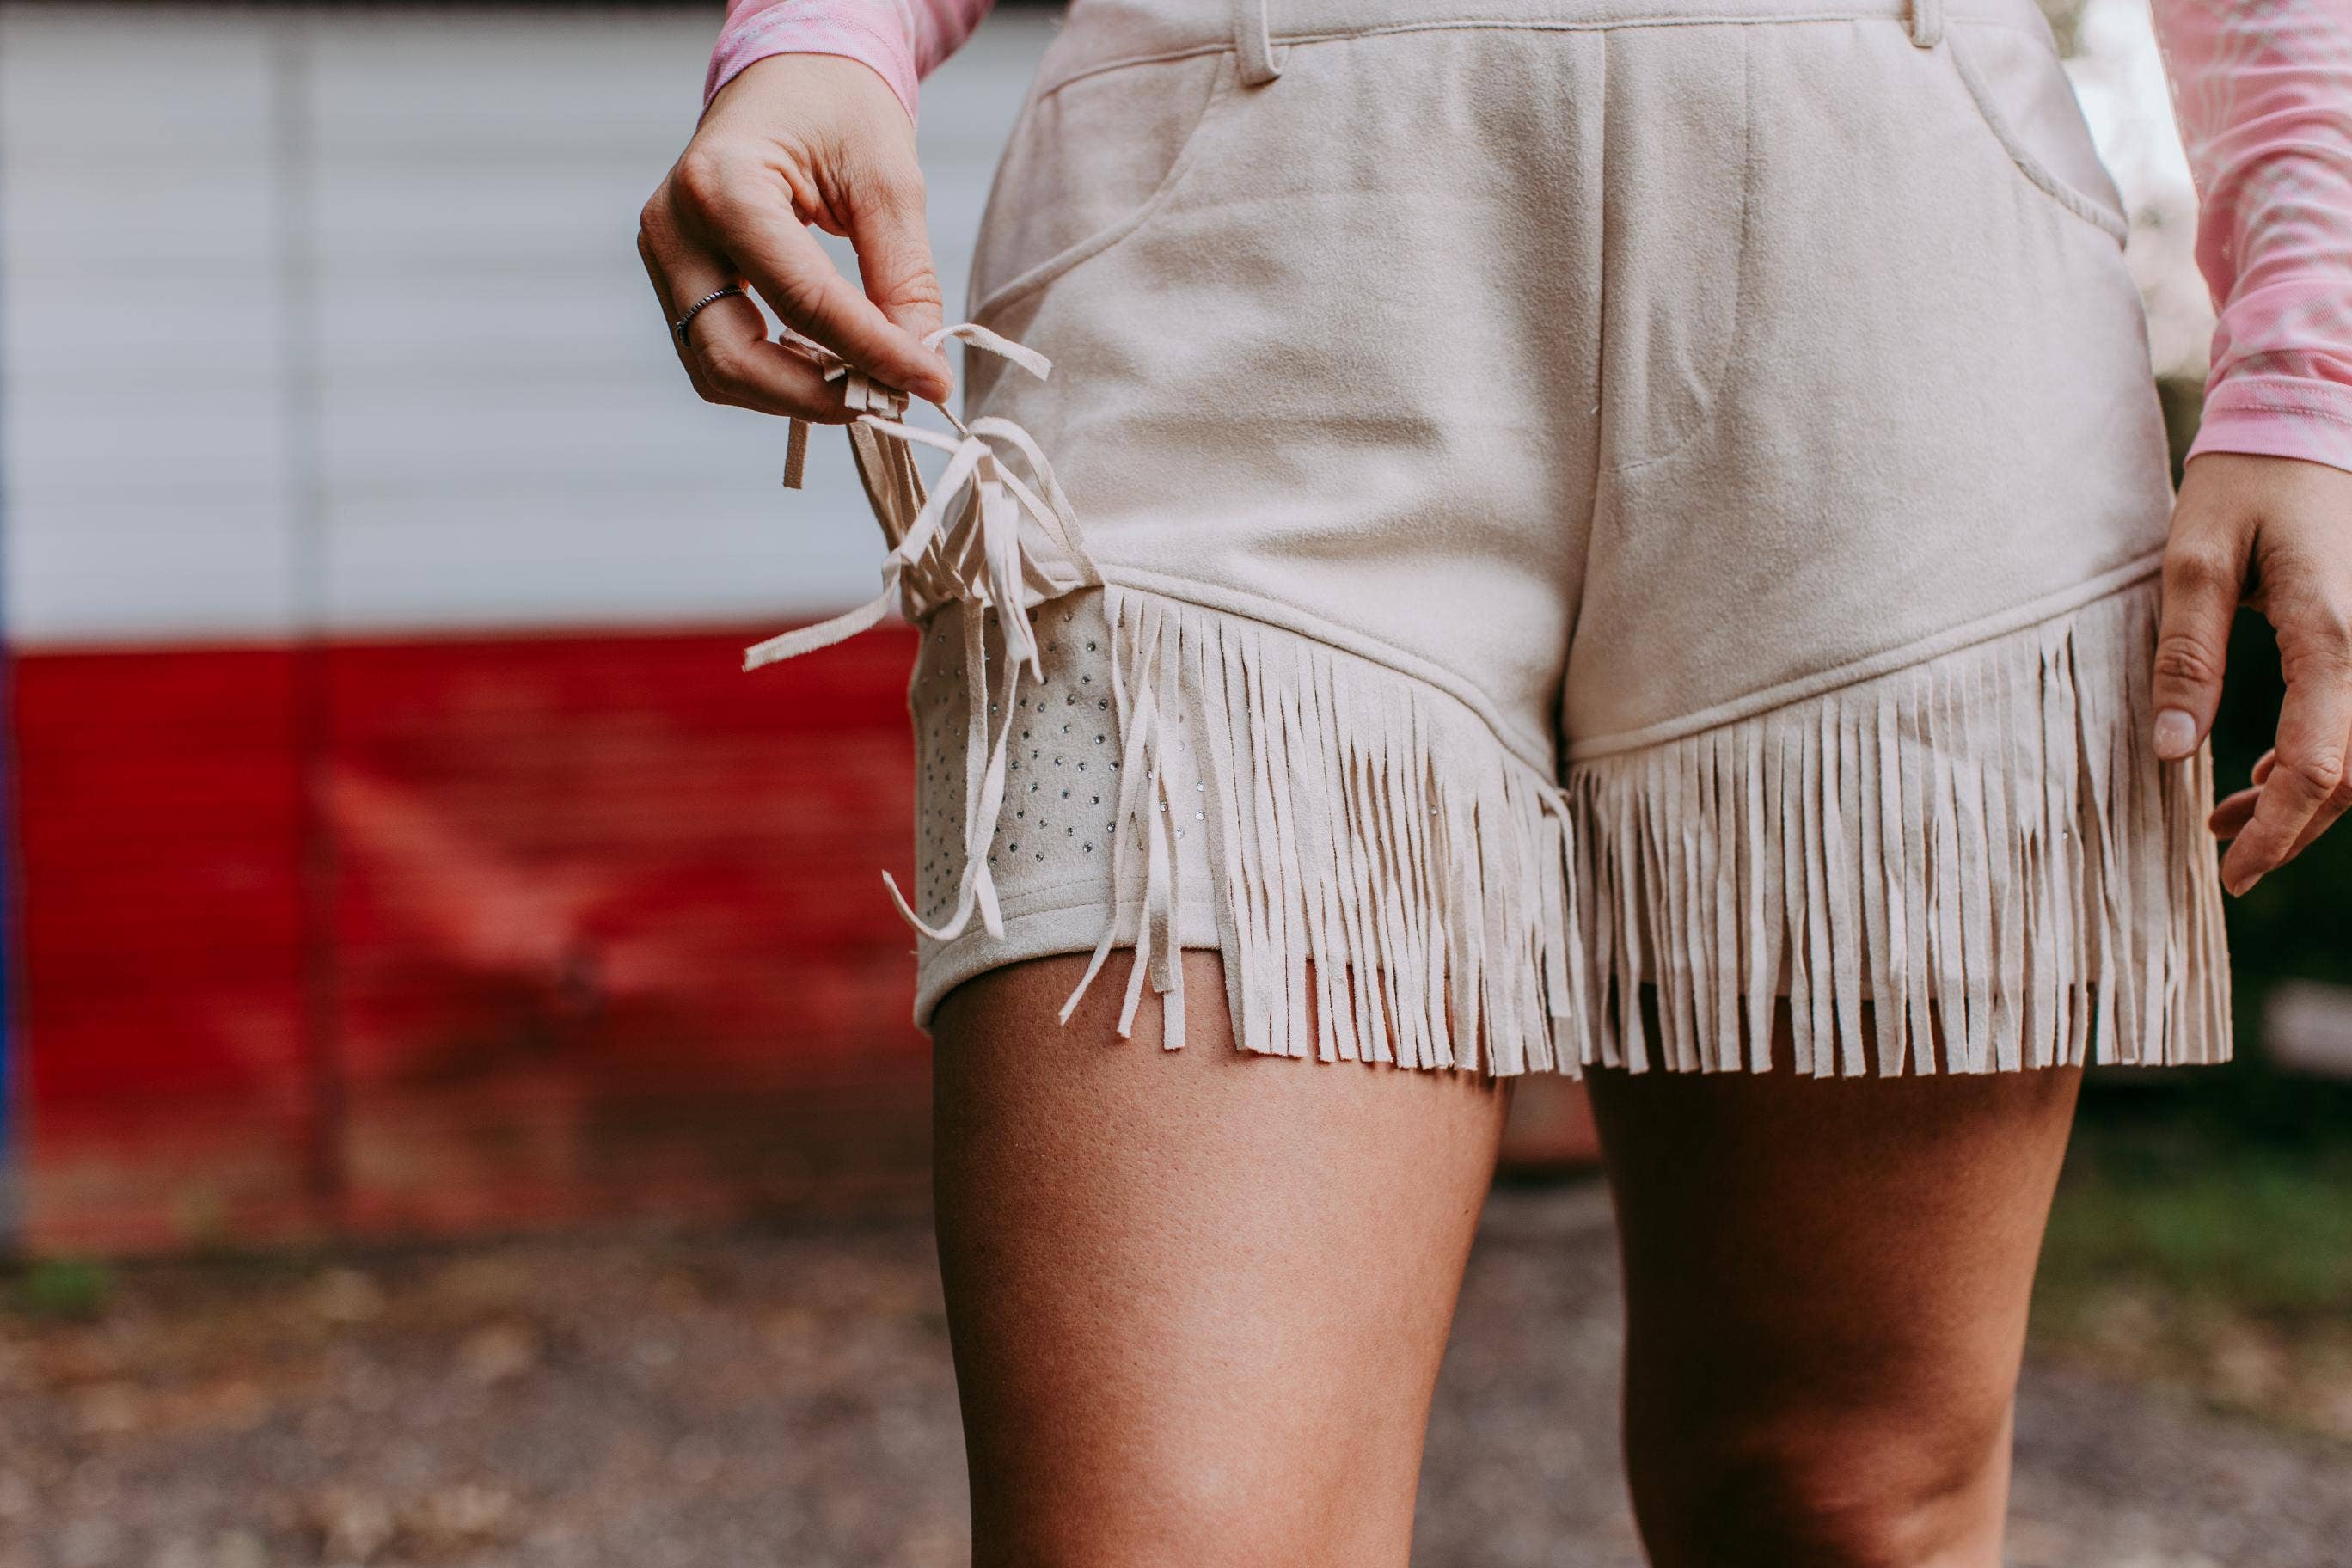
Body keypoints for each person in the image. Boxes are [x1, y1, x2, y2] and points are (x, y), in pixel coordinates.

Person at [638, 0, 2352, 1561]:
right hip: (1243, 241)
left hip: (1898, 280)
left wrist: (2314, 353)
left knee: (1844, 1505)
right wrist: (824, 32)